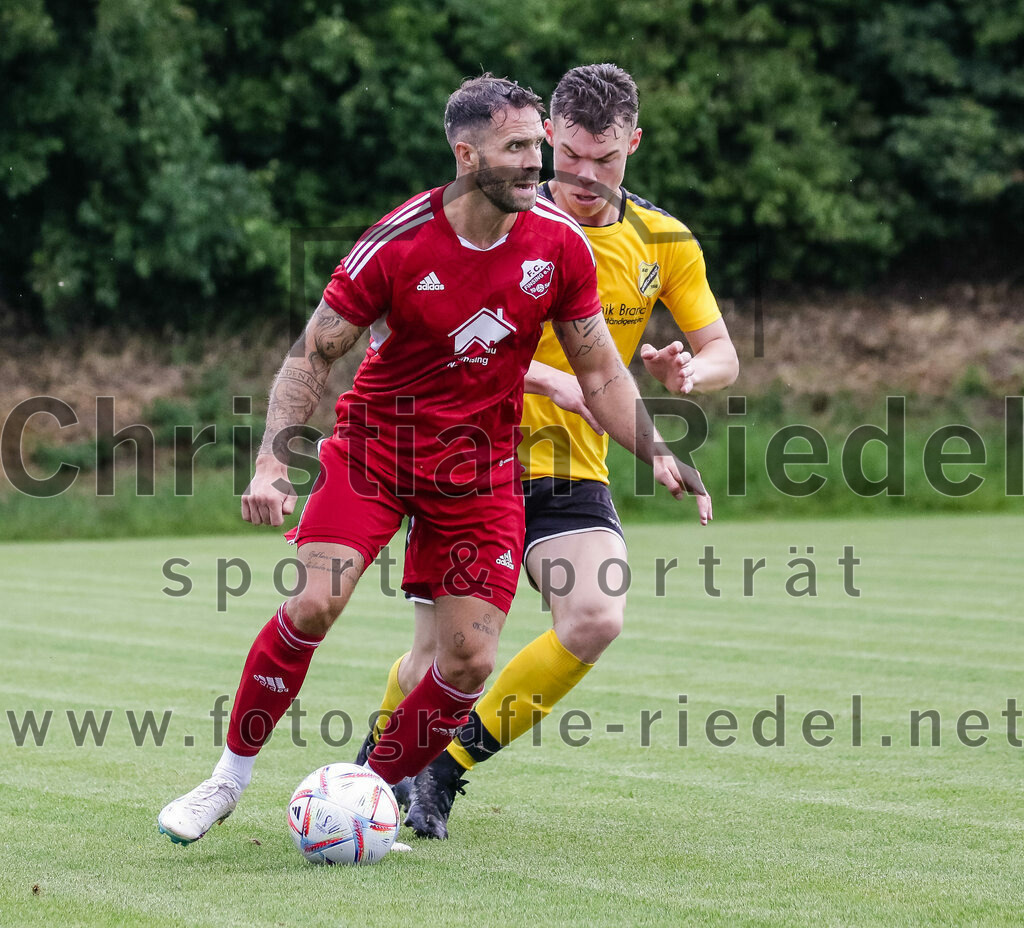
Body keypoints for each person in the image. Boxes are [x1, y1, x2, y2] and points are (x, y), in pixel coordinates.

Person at [157, 73, 711, 846]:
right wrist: (271, 465)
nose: (535, 164)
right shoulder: (399, 240)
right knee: (317, 602)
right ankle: (225, 781)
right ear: (466, 152)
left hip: (481, 472)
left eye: (535, 146)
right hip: (379, 449)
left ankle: (366, 795)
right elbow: (310, 357)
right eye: (517, 148)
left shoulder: (559, 247)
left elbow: (601, 375)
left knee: (467, 660)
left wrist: (655, 445)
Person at [355, 63, 739, 840]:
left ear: (633, 142)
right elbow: (406, 330)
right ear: (545, 139)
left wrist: (693, 376)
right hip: (465, 455)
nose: (585, 176)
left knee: (595, 616)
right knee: (440, 656)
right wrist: (546, 381)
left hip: (571, 466)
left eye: (606, 160)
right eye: (570, 156)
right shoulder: (494, 218)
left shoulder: (662, 241)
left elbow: (721, 349)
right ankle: (374, 769)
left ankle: (444, 764)